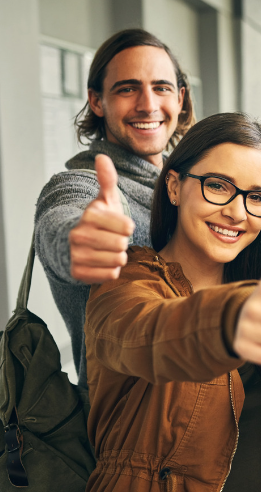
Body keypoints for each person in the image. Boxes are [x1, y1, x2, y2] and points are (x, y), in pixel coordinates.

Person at [78, 113, 261, 492]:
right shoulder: (125, 284)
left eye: (257, 197)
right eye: (218, 186)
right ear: (174, 186)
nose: (237, 212)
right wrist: (232, 318)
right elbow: (149, 335)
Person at [35, 28, 195, 388]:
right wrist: (79, 241)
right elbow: (61, 215)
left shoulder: (195, 181)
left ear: (181, 98)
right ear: (96, 101)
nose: (148, 104)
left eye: (161, 87)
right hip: (131, 431)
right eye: (127, 88)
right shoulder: (85, 183)